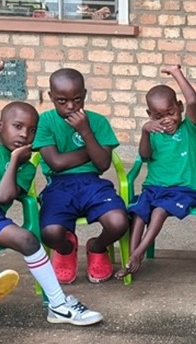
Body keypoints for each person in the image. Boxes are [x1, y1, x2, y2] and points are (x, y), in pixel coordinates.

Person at [0, 58, 102, 327]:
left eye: (32, 130)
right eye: (17, 126)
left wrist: (14, 161)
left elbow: (3, 198)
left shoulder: (25, 167)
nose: (25, 134)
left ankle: (58, 305)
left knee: (27, 239)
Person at [33, 67, 130, 285]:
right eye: (62, 101)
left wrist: (86, 131)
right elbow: (56, 164)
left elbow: (102, 164)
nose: (70, 106)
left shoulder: (97, 122)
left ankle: (97, 247)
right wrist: (93, 149)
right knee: (50, 233)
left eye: (77, 99)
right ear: (51, 97)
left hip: (93, 184)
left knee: (118, 222)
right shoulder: (45, 122)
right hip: (58, 186)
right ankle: (66, 248)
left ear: (85, 94)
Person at [119, 65, 196, 279]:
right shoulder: (154, 133)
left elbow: (193, 101)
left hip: (183, 191)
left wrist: (176, 73)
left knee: (159, 211)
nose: (166, 120)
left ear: (180, 107)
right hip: (153, 189)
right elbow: (144, 155)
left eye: (171, 113)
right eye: (159, 116)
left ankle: (138, 253)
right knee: (138, 213)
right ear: (150, 116)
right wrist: (145, 132)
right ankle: (130, 259)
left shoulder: (189, 129)